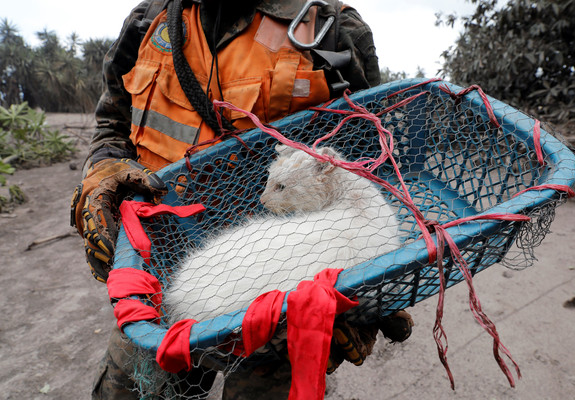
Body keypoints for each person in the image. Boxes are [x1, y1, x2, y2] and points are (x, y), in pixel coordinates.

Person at [71, 0, 412, 398]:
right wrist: (103, 173)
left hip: (279, 291)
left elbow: (372, 164)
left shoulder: (332, 29)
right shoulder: (149, 21)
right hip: (160, 276)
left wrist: (368, 297)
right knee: (127, 391)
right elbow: (112, 124)